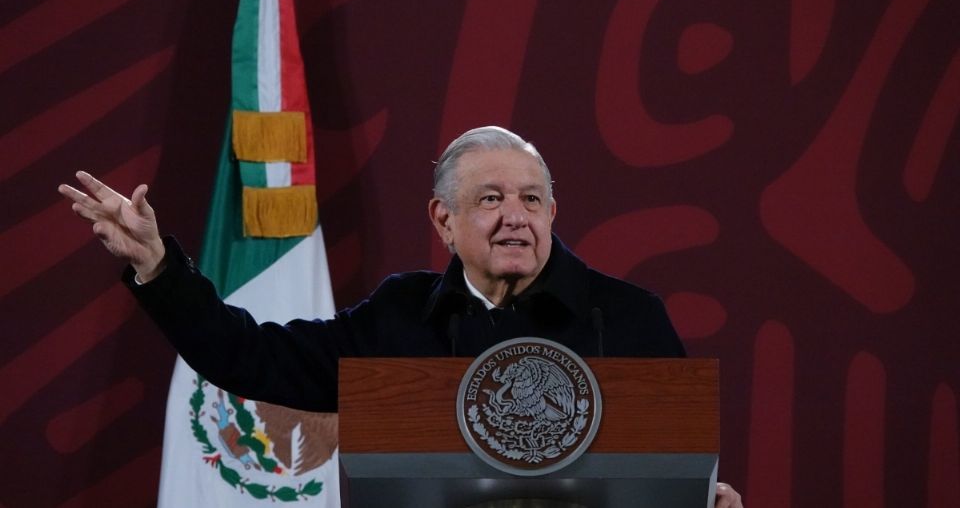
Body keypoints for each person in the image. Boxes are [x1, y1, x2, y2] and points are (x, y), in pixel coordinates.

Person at [59, 126, 742, 508]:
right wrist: (157, 266)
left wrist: (705, 500)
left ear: (553, 215)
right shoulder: (400, 319)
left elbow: (677, 464)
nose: (516, 216)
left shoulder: (626, 318)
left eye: (532, 200)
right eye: (492, 198)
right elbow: (250, 356)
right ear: (443, 220)